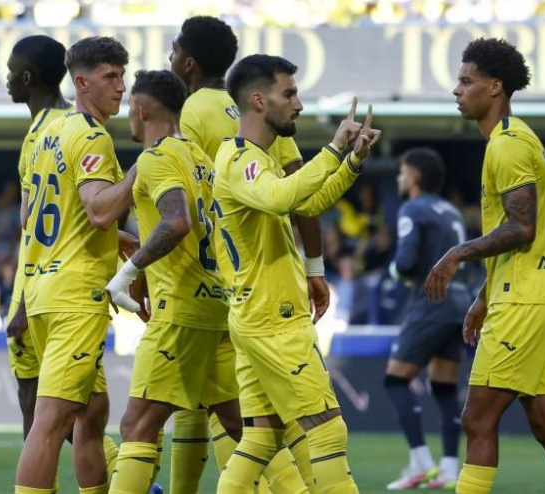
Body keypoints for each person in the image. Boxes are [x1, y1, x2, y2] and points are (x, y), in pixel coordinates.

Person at [170, 16, 330, 492]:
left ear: (189, 61)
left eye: (174, 50)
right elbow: (300, 193)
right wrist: (315, 267)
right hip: (265, 285)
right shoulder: (268, 125)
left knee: (219, 409)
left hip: (215, 281)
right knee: (249, 413)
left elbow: (185, 199)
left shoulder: (194, 112)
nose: (171, 59)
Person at [426, 38, 545, 494]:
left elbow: (521, 228)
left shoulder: (508, 145)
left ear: (495, 87)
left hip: (524, 299)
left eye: (466, 81)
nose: (456, 90)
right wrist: (482, 297)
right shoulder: (518, 138)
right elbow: (518, 234)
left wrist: (456, 253)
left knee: (477, 420)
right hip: (541, 295)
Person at [213, 53, 380, 494]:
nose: (299, 104)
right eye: (288, 93)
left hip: (256, 314)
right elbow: (282, 198)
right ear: (258, 101)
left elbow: (305, 203)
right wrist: (333, 150)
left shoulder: (252, 158)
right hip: (274, 316)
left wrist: (352, 162)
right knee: (326, 430)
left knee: (261, 437)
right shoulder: (240, 160)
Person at [104, 69, 251, 494]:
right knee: (241, 424)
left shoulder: (155, 158)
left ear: (142, 109)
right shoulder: (202, 159)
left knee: (139, 423)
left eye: (131, 108)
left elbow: (177, 221)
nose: (128, 117)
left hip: (181, 311)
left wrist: (128, 273)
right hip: (216, 305)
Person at [13, 36, 135, 494]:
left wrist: (118, 241)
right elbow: (101, 210)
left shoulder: (46, 132)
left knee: (93, 411)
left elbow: (32, 217)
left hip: (44, 289)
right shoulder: (90, 134)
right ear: (82, 82)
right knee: (52, 419)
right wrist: (142, 167)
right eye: (111, 77)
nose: (121, 87)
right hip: (74, 296)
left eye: (122, 76)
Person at [3, 33, 76, 439]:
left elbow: (33, 224)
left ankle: (125, 478)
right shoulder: (61, 126)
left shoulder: (52, 131)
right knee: (42, 399)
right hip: (43, 279)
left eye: (12, 73)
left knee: (60, 405)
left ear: (28, 78)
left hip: (50, 283)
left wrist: (24, 303)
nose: (7, 81)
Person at [383, 148, 469, 490]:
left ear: (415, 177)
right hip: (460, 302)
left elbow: (405, 264)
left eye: (402, 172)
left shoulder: (413, 208)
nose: (399, 178)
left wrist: (394, 272)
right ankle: (449, 469)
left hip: (432, 303)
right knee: (444, 387)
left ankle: (420, 463)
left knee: (396, 380)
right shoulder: (451, 211)